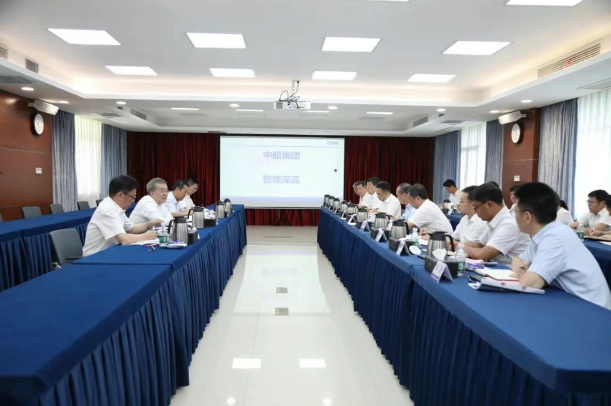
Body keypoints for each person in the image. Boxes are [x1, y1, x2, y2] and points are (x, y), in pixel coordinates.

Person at [510, 182, 611, 309]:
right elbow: (517, 259)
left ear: (527, 217)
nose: (514, 216)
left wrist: (524, 270)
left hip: (593, 310)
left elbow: (529, 284)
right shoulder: (545, 232)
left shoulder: (555, 237)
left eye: (515, 212)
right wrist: (521, 268)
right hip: (572, 301)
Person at [83, 175, 160, 256]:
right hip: (94, 257)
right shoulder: (107, 209)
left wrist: (149, 224)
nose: (133, 201)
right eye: (132, 197)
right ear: (120, 195)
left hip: (109, 253)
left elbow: (131, 229)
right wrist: (145, 236)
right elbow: (123, 239)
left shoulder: (116, 207)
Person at [464, 183, 530, 264]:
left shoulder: (510, 224)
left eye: (476, 207)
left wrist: (461, 248)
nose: (475, 211)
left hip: (512, 270)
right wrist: (457, 245)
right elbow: (479, 245)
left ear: (489, 204)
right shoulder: (494, 220)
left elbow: (482, 254)